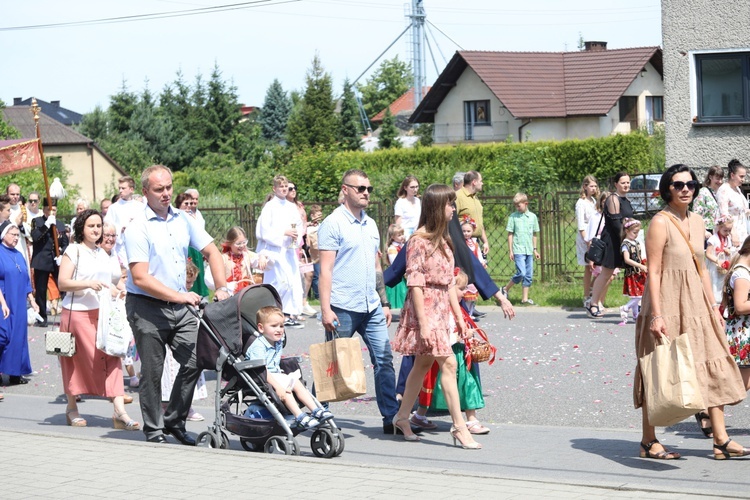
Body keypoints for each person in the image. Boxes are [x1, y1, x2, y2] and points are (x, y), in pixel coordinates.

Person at [634, 164, 748, 460]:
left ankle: (721, 440)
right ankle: (649, 440)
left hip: (697, 301)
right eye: (678, 184)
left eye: (691, 184)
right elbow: (654, 272)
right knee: (661, 366)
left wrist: (713, 307)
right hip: (666, 301)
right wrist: (657, 315)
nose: (686, 189)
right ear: (667, 189)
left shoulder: (698, 221)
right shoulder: (660, 222)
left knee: (712, 361)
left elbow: (701, 270)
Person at [124, 165, 230, 445]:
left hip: (180, 308)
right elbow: (140, 277)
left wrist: (221, 287)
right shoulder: (138, 227)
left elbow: (212, 252)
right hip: (147, 307)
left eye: (169, 187)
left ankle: (174, 419)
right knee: (153, 372)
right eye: (159, 189)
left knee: (198, 359)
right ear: (145, 191)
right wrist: (180, 295)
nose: (166, 193)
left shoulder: (184, 220)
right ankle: (154, 429)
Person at [318, 169, 408, 435]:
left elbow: (375, 264)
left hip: (371, 305)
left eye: (369, 189)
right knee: (331, 363)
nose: (366, 193)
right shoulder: (333, 223)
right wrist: (325, 309)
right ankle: (317, 413)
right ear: (345, 190)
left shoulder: (370, 224)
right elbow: (326, 270)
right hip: (342, 306)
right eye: (360, 188)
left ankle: (390, 417)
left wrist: (384, 301)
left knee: (383, 360)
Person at [391, 183, 480, 449]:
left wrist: (460, 318)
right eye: (450, 204)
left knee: (422, 364)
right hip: (426, 311)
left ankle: (402, 417)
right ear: (436, 208)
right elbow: (415, 284)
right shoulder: (418, 240)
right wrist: (425, 325)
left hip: (442, 309)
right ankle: (459, 427)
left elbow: (450, 284)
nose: (454, 208)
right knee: (449, 364)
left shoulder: (444, 238)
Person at [57, 210, 140, 430]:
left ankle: (120, 412)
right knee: (74, 361)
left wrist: (118, 291)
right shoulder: (73, 250)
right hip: (77, 315)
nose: (96, 230)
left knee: (112, 357)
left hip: (102, 314)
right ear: (81, 228)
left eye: (98, 226)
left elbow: (107, 283)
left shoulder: (103, 254)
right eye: (91, 226)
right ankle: (72, 408)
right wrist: (87, 283)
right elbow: (63, 283)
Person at [410, 270, 490, 435]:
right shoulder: (443, 311)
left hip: (460, 354)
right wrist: (461, 336)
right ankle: (420, 415)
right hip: (448, 353)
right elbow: (445, 333)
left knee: (467, 384)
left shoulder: (459, 310)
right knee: (435, 385)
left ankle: (471, 418)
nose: (465, 292)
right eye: (460, 289)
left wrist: (469, 336)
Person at [245, 306, 333, 429]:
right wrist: (278, 387)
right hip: (260, 376)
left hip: (274, 374)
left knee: (296, 383)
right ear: (261, 328)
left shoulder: (277, 341)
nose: (279, 330)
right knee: (286, 388)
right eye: (274, 326)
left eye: (281, 326)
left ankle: (316, 410)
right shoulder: (258, 346)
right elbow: (262, 370)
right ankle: (300, 416)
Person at [161, 260, 207, 422]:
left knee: (189, 367)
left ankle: (183, 405)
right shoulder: (171, 293)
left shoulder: (188, 294)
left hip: (187, 340)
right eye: (188, 282)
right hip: (173, 342)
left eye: (192, 282)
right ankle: (170, 405)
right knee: (171, 374)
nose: (190, 285)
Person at [256, 175, 304, 328]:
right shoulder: (270, 207)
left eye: (286, 187)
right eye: (281, 187)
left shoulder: (291, 207)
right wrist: (283, 233)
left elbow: (298, 225)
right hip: (275, 250)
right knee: (279, 282)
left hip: (288, 250)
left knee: (292, 282)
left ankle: (288, 313)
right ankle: (274, 313)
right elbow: (264, 231)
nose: (284, 189)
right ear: (274, 189)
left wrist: (296, 234)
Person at [587, 172, 633, 318]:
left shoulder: (626, 200)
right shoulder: (613, 199)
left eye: (628, 182)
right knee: (606, 273)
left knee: (631, 272)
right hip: (613, 241)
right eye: (623, 182)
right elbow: (615, 223)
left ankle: (637, 303)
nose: (626, 185)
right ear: (616, 184)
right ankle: (593, 303)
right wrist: (627, 239)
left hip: (624, 239)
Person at [0, 222, 37, 385]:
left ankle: (15, 372)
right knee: (3, 335)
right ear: (4, 235)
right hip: (4, 300)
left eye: (17, 235)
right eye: (13, 234)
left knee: (18, 337)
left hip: (18, 302)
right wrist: (3, 303)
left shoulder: (19, 254)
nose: (16, 238)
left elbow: (26, 280)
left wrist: (32, 300)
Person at [31, 198, 68, 328]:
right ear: (44, 209)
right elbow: (35, 237)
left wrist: (61, 252)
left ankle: (69, 314)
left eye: (54, 210)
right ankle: (42, 318)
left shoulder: (60, 224)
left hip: (55, 260)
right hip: (42, 260)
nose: (51, 212)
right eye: (48, 209)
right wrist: (46, 225)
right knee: (41, 291)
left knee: (63, 287)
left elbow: (65, 242)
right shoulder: (37, 221)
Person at [502, 192, 541, 305]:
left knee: (528, 275)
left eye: (519, 205)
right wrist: (511, 250)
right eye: (515, 206)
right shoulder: (513, 217)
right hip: (518, 249)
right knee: (522, 273)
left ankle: (524, 299)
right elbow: (510, 234)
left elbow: (534, 234)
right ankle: (505, 289)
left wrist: (535, 249)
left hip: (529, 249)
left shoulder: (532, 217)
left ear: (526, 204)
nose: (517, 208)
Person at [723, 237, 750, 394]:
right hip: (743, 332)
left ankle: (710, 409)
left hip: (743, 330)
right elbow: (740, 306)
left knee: (740, 384)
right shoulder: (741, 274)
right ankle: (709, 409)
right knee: (740, 385)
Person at [286, 181, 316, 317]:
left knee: (309, 272)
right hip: (292, 243)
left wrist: (309, 224)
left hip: (303, 241)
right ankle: (295, 303)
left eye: (294, 188)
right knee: (295, 274)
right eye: (290, 188)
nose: (293, 190)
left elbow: (301, 224)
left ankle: (304, 301)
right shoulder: (284, 207)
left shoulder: (299, 205)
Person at [211, 226, 270, 294]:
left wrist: (262, 256)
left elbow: (267, 265)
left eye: (244, 242)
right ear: (230, 243)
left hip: (245, 294)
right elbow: (210, 279)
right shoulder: (223, 258)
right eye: (238, 244)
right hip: (229, 294)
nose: (242, 246)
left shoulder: (247, 255)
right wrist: (227, 286)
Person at [174, 193, 209, 298]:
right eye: (186, 203)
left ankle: (200, 292)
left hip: (195, 248)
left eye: (191, 203)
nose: (189, 206)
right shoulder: (177, 216)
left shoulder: (196, 215)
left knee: (197, 269)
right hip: (186, 247)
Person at [104, 175, 142, 266]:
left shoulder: (140, 207)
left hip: (137, 246)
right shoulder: (114, 208)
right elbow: (107, 226)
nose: (120, 190)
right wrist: (121, 229)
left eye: (123, 188)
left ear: (131, 189)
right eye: (119, 188)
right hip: (120, 247)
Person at [618, 218, 647, 325]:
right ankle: (625, 308)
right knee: (640, 295)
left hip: (639, 272)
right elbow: (627, 259)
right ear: (627, 231)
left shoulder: (635, 242)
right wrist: (640, 265)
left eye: (638, 232)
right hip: (633, 273)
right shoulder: (626, 244)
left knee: (636, 295)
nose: (636, 235)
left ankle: (635, 315)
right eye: (634, 232)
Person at [575, 175, 599, 303]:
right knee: (588, 267)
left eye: (595, 186)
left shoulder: (594, 202)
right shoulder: (581, 203)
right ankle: (586, 296)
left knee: (597, 266)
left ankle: (592, 289)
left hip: (594, 236)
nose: (594, 188)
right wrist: (587, 240)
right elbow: (581, 224)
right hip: (585, 238)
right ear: (585, 187)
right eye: (591, 186)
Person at [717, 159, 750, 247]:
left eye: (744, 177)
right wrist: (733, 233)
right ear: (732, 175)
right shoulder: (724, 190)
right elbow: (724, 215)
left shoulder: (737, 189)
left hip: (742, 231)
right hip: (730, 234)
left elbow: (743, 209)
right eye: (741, 176)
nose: (743, 179)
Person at [455, 171, 489, 256]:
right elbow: (451, 220)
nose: (482, 183)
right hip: (463, 242)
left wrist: (485, 241)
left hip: (475, 242)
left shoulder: (475, 197)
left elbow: (479, 222)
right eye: (480, 181)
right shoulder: (458, 196)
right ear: (474, 182)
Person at [459, 215, 484, 317]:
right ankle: (463, 313)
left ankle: (469, 312)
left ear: (472, 231)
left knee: (472, 294)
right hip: (464, 271)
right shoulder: (460, 242)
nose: (466, 233)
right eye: (464, 231)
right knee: (463, 293)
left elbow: (478, 253)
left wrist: (482, 262)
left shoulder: (474, 243)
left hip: (473, 271)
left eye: (468, 231)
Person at [706, 216, 734, 304]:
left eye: (729, 230)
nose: (728, 233)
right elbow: (708, 254)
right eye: (725, 230)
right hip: (715, 266)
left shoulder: (728, 239)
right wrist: (717, 261)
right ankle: (713, 303)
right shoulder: (713, 239)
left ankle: (723, 302)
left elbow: (729, 250)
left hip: (723, 266)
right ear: (719, 227)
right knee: (714, 283)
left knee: (722, 284)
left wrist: (728, 252)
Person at [694, 165, 724, 241]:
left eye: (721, 178)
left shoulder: (720, 193)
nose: (720, 181)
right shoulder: (703, 192)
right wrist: (704, 231)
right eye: (717, 178)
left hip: (719, 231)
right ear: (710, 177)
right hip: (707, 233)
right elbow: (696, 215)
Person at [6, 184, 31, 275]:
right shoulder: (3, 209)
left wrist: (21, 226)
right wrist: (15, 223)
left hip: (21, 245)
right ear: (7, 194)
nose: (15, 197)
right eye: (12, 194)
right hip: (6, 247)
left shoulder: (24, 210)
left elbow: (30, 230)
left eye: (17, 194)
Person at [385, 223, 407, 310]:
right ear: (393, 237)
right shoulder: (392, 249)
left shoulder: (403, 246)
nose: (402, 236)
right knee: (400, 295)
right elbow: (395, 263)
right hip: (398, 276)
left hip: (404, 275)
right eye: (399, 235)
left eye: (402, 234)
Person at [394, 175, 421, 240]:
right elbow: (398, 224)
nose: (415, 189)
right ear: (405, 188)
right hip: (406, 236)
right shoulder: (400, 202)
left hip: (417, 235)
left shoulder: (418, 201)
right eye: (412, 187)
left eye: (417, 187)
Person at [306, 205, 323, 300]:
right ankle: (316, 295)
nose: (319, 218)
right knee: (313, 275)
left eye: (321, 216)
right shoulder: (308, 228)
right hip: (312, 255)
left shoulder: (322, 226)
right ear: (312, 216)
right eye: (318, 215)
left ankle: (319, 294)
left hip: (320, 254)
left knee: (319, 274)